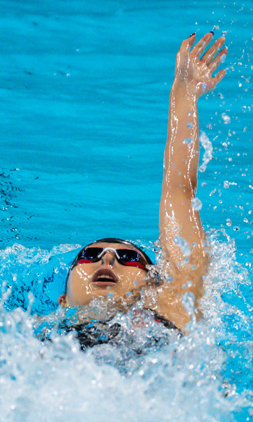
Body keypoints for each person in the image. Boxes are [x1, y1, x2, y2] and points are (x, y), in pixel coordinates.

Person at [57, 32, 227, 333]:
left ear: (154, 282)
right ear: (63, 300)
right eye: (90, 255)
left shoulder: (173, 304)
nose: (107, 259)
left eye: (127, 257)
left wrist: (184, 94)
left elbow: (179, 193)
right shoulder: (27, 339)